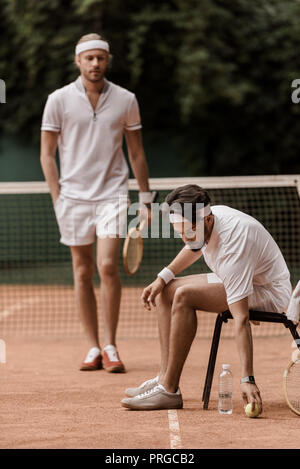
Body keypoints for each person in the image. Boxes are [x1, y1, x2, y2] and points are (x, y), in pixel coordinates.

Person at [121, 184, 292, 410]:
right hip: (241, 277)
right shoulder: (202, 222)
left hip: (269, 293)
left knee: (184, 295)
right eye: (180, 232)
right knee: (167, 290)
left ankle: (169, 390)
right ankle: (163, 378)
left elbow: (241, 319)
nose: (185, 237)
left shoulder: (234, 243)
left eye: (189, 231)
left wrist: (247, 378)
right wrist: (162, 277)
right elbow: (193, 246)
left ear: (208, 221)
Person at [40, 33, 152, 373]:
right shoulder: (57, 100)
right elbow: (47, 155)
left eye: (100, 58)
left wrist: (146, 199)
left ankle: (111, 345)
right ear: (78, 61)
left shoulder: (126, 99)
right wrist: (58, 198)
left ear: (108, 61)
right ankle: (92, 346)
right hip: (72, 198)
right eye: (88, 58)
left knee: (106, 267)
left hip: (113, 194)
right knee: (83, 270)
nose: (94, 64)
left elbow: (136, 153)